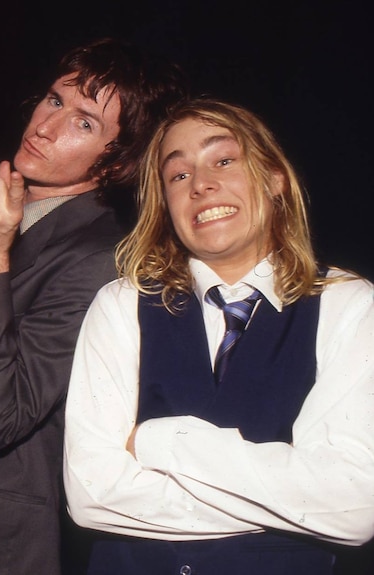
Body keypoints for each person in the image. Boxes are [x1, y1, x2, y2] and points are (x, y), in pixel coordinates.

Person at [63, 98, 374, 575]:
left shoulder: (349, 304)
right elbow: (90, 496)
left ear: (275, 179)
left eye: (223, 160)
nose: (201, 185)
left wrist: (157, 441)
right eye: (178, 175)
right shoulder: (121, 304)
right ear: (164, 203)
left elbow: (353, 505)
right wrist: (286, 501)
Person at [0, 37, 188, 574]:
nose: (46, 126)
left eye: (85, 122)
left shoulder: (102, 258)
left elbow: (0, 416)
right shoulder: (7, 213)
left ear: (117, 163)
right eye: (53, 100)